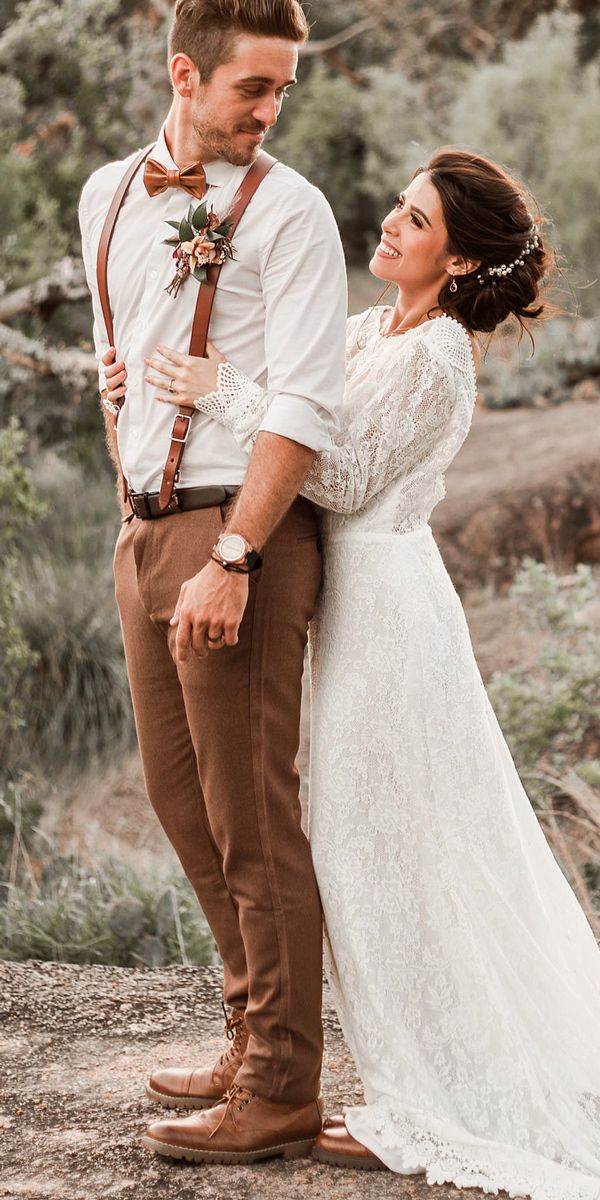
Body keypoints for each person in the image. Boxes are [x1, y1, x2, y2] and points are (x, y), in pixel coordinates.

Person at [129, 150, 600, 1197]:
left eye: (416, 221)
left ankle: (431, 1096)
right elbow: (303, 391)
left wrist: (225, 390)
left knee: (390, 842)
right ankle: (342, 1059)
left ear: (461, 256)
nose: (389, 225)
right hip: (356, 608)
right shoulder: (371, 328)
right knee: (367, 841)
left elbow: (335, 479)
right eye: (396, 206)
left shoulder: (435, 357)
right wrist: (167, 380)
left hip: (387, 613)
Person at [79, 0, 348, 1166]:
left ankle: (284, 1084)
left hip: (241, 539)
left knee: (253, 818)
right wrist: (134, 510)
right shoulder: (104, 197)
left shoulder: (288, 210)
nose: (271, 110)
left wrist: (234, 554)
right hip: (145, 533)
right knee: (183, 805)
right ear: (185, 74)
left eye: (284, 89)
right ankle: (250, 1032)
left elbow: (304, 402)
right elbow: (119, 366)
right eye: (255, 88)